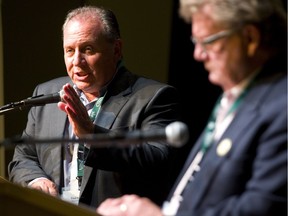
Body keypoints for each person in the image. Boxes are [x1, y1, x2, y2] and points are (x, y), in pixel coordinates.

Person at [96, 0, 287, 215]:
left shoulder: (281, 108)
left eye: (208, 42)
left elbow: (263, 207)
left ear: (250, 38)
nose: (198, 54)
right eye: (196, 42)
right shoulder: (233, 99)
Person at [8, 5, 183, 209]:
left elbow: (157, 161)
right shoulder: (45, 92)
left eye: (88, 49)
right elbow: (24, 156)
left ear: (116, 50)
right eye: (70, 50)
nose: (76, 61)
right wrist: (35, 180)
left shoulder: (154, 97)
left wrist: (92, 135)